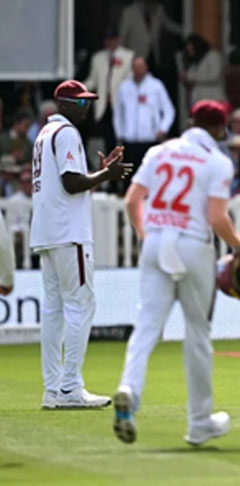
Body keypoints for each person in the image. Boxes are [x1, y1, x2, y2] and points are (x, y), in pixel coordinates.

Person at [113, 100, 240, 446]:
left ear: (191, 121)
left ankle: (129, 390)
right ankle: (199, 422)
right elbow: (217, 218)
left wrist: (150, 237)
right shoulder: (217, 161)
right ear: (219, 130)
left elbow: (132, 201)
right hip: (193, 245)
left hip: (156, 241)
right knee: (198, 334)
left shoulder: (159, 152)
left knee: (146, 326)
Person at [30, 80, 131, 409]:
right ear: (64, 104)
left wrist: (100, 171)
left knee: (54, 309)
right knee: (80, 304)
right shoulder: (67, 133)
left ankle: (52, 388)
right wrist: (107, 175)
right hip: (68, 232)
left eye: (87, 103)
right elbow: (72, 183)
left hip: (46, 231)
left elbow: (66, 180)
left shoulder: (44, 135)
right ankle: (70, 387)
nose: (86, 109)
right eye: (81, 103)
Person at [114, 56, 175, 193]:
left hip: (150, 139)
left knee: (151, 176)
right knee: (129, 178)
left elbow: (169, 110)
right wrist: (120, 133)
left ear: (146, 67)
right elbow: (118, 113)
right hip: (129, 140)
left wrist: (162, 129)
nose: (138, 70)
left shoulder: (156, 86)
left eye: (141, 67)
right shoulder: (125, 87)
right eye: (135, 67)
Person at [83, 27, 135, 153]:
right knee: (107, 137)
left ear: (118, 40)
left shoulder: (128, 56)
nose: (111, 43)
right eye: (108, 40)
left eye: (113, 40)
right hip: (103, 104)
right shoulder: (98, 58)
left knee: (123, 136)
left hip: (120, 102)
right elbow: (93, 80)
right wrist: (78, 88)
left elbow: (130, 79)